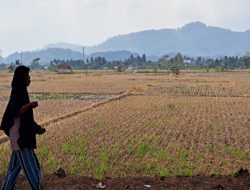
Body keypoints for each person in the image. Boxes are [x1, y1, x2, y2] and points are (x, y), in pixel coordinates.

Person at [0, 65, 46, 190]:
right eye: (28, 77)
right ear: (22, 78)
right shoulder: (18, 92)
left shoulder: (20, 91)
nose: (30, 79)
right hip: (20, 137)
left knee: (14, 168)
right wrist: (30, 105)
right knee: (32, 168)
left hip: (19, 135)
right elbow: (16, 111)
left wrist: (37, 129)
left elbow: (26, 119)